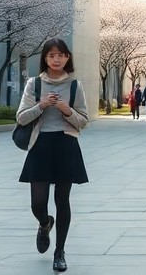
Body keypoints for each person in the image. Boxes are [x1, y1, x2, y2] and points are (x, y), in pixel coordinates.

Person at [17, 37, 90, 273]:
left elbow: (83, 121)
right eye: (51, 55)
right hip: (40, 145)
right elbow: (21, 117)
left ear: (67, 57)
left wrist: (66, 110)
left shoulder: (74, 86)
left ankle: (59, 251)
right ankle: (44, 222)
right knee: (38, 202)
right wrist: (42, 105)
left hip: (66, 145)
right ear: (45, 59)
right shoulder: (34, 84)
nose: (56, 59)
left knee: (62, 200)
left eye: (60, 55)